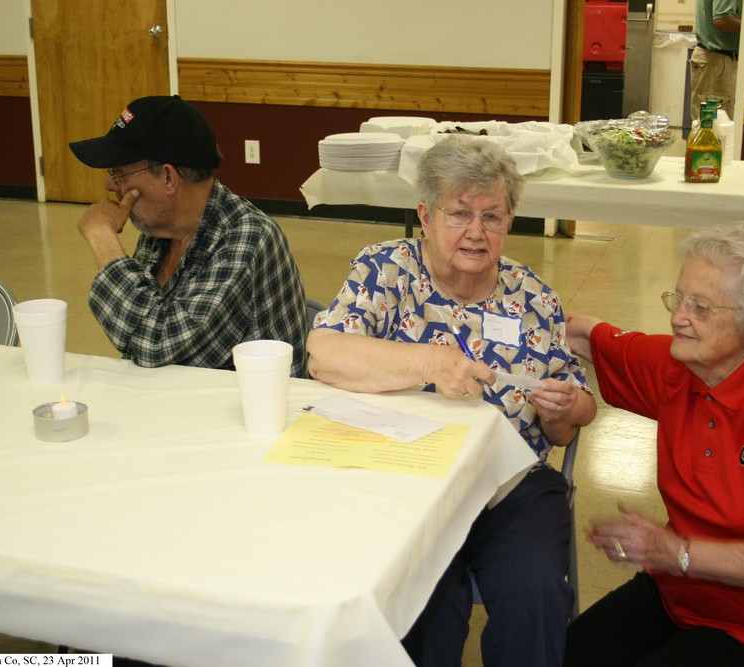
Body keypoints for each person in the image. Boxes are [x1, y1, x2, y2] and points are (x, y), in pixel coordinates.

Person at [307, 134, 597, 666]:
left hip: (508, 486)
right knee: (426, 603)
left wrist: (567, 409)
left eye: (493, 216)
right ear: (425, 214)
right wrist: (431, 363)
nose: (476, 232)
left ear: (510, 221)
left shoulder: (530, 294)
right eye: (459, 213)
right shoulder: (386, 272)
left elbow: (572, 421)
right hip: (405, 481)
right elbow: (324, 353)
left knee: (534, 592)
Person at [563, 221, 744, 666]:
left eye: (701, 307)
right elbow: (583, 333)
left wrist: (674, 552)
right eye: (679, 299)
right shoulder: (680, 368)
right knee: (570, 651)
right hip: (683, 598)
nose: (679, 317)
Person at [68, 95, 308, 376]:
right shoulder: (162, 227)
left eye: (119, 172)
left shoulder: (247, 238)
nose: (111, 184)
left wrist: (102, 237)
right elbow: (139, 339)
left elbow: (154, 344)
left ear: (168, 177)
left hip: (247, 410)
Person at [690, 0, 742, 124]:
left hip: (717, 59)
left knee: (709, 126)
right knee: (712, 127)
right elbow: (722, 19)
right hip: (717, 60)